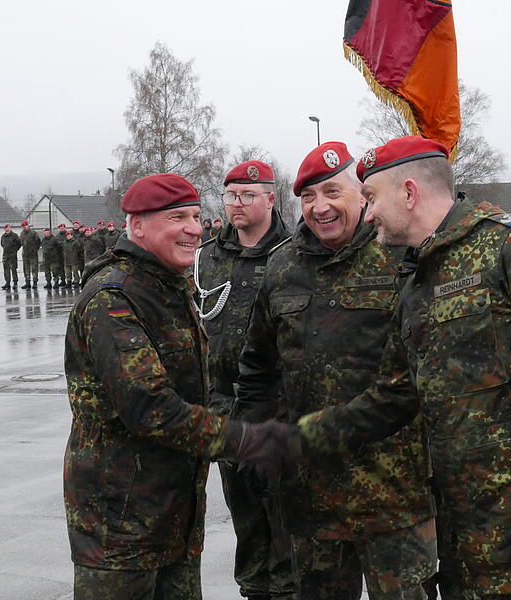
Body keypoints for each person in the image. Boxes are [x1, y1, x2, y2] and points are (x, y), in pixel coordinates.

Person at [259, 136, 511, 598]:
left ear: (409, 193)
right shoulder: (418, 279)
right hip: (468, 531)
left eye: (371, 199)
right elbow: (395, 394)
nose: (367, 215)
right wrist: (298, 437)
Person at [63, 172, 284, 600]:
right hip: (120, 526)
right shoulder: (113, 298)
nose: (194, 229)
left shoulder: (168, 286)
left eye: (196, 217)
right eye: (177, 218)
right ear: (137, 225)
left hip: (173, 517)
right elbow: (150, 408)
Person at [235, 142, 437, 600]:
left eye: (332, 192)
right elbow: (258, 367)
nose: (320, 207)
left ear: (361, 195)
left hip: (395, 488)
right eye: (308, 197)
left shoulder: (401, 255)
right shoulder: (282, 267)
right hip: (311, 490)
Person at [196, 160, 294, 600]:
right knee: (246, 520)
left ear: (270, 199)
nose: (237, 204)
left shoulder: (293, 253)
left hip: (278, 410)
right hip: (225, 411)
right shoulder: (206, 258)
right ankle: (254, 590)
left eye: (248, 195)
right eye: (231, 195)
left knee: (286, 521)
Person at [19, 220, 41, 290]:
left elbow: (38, 242)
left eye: (26, 225)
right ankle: (27, 282)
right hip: (25, 254)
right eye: (23, 226)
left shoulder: (33, 233)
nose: (25, 227)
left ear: (28, 225)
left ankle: (35, 282)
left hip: (33, 254)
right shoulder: (22, 234)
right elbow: (21, 242)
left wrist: (35, 250)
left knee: (34, 268)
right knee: (26, 269)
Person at [0, 223, 22, 290]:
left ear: (10, 228)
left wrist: (15, 250)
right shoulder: (3, 236)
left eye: (8, 228)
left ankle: (15, 283)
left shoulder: (15, 235)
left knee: (13, 269)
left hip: (12, 255)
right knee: (6, 270)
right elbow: (2, 244)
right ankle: (7, 283)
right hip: (5, 255)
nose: (7, 229)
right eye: (6, 228)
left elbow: (19, 243)